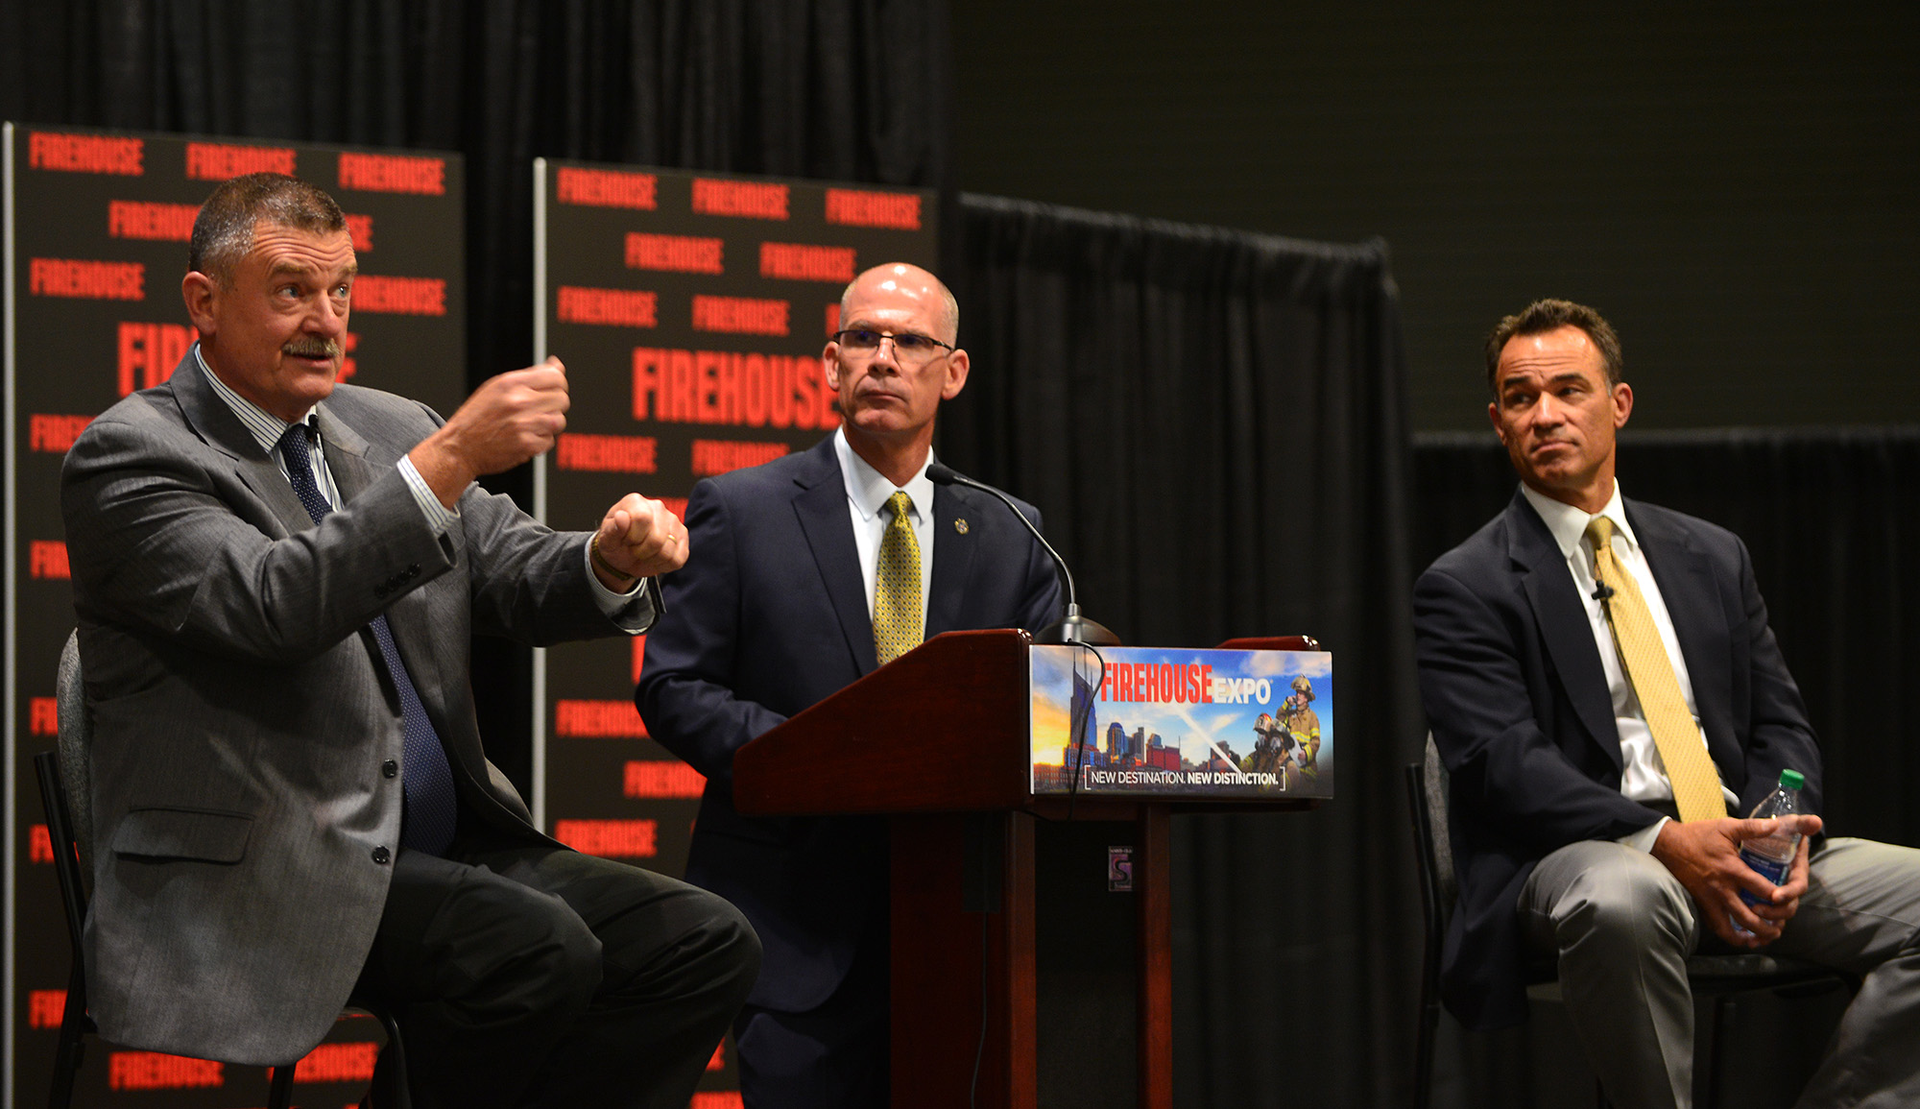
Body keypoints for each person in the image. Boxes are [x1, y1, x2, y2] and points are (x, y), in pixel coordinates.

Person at [60, 173, 760, 1109]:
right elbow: (278, 604)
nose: (325, 318)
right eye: (290, 290)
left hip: (440, 847)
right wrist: (448, 461)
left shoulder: (389, 429)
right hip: (271, 863)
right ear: (204, 302)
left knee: (703, 940)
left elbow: (513, 570)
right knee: (532, 949)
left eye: (341, 289)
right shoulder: (135, 455)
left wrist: (609, 558)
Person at [1412, 297, 1920, 1108]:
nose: (1545, 414)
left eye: (1569, 390)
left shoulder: (1711, 555)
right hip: (1581, 853)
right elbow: (1500, 765)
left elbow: (1781, 724)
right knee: (1625, 896)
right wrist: (1664, 839)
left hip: (1733, 839)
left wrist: (1776, 830)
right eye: (1519, 397)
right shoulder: (1464, 585)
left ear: (1619, 404)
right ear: (1498, 422)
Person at [636, 263, 1063, 1107]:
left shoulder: (1013, 532)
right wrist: (827, 760)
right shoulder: (741, 508)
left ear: (954, 370)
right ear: (830, 365)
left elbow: (1044, 710)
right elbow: (674, 685)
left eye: (910, 341)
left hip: (963, 934)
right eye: (862, 338)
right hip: (796, 933)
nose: (883, 357)